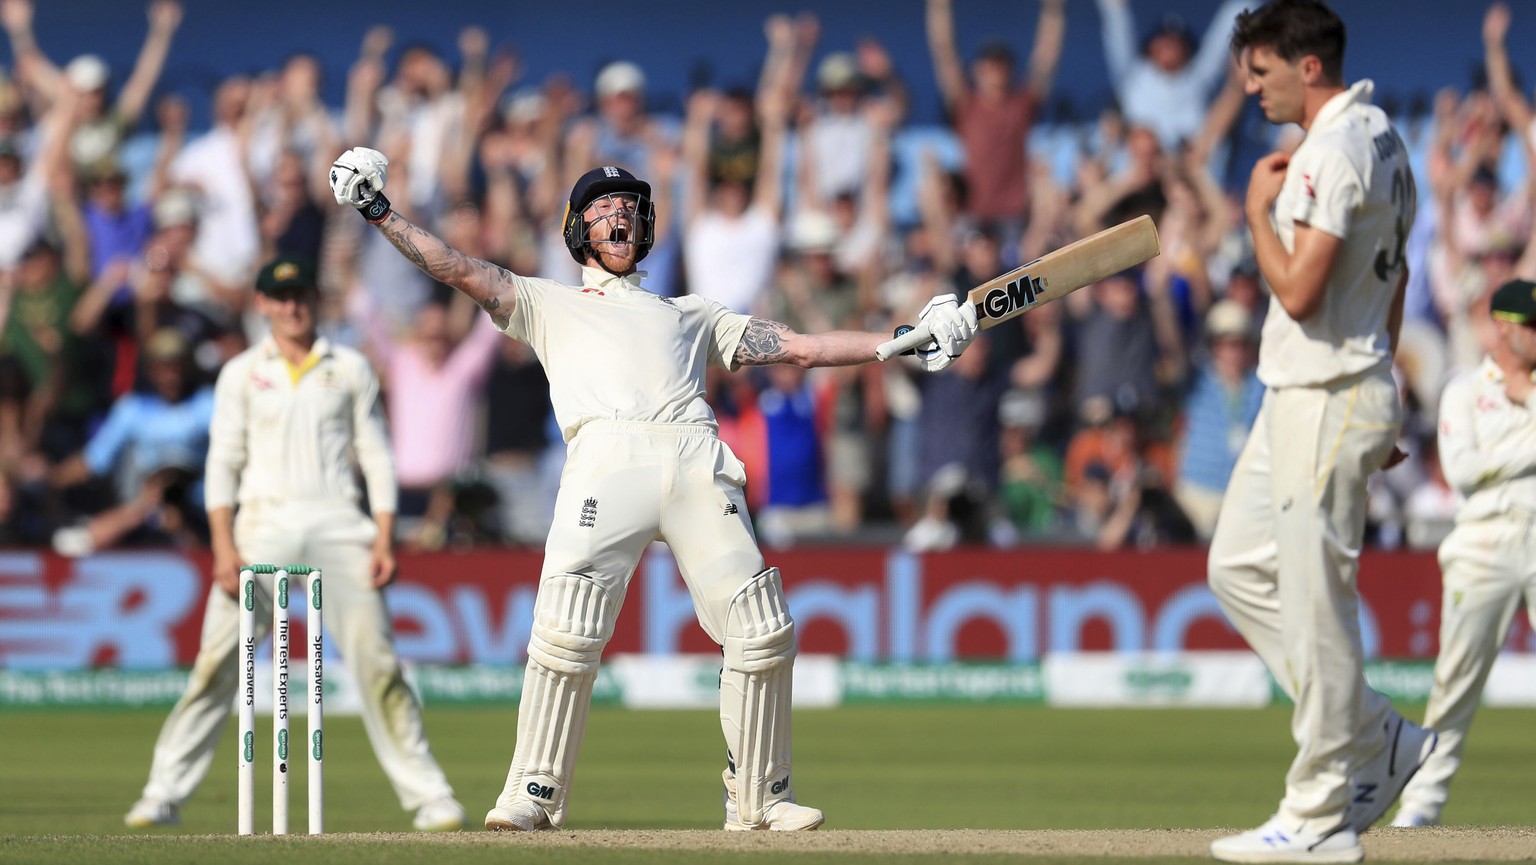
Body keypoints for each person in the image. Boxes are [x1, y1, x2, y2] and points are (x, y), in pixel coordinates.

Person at [326, 146, 978, 831]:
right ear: (579, 228)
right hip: (605, 458)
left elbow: (803, 347)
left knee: (761, 630)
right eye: (605, 208)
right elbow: (455, 266)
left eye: (630, 208)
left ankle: (759, 798)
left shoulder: (692, 313)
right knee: (567, 631)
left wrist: (905, 338)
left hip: (695, 455)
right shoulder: (548, 302)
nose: (620, 216)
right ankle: (533, 793)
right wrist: (378, 211)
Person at [1205, 2, 1437, 861]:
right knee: (1235, 567)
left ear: (1308, 67)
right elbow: (1399, 270)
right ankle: (1377, 733)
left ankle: (1318, 816)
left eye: (1258, 73)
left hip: (1328, 390)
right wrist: (1390, 388)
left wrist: (1255, 213)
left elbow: (1299, 292)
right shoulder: (1381, 134)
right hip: (1309, 388)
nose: (1248, 88)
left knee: (1319, 606)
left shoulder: (1332, 151)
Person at [123, 255, 465, 832]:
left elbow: (377, 455)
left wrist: (384, 537)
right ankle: (162, 794)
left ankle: (430, 795)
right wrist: (224, 548)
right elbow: (223, 464)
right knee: (216, 664)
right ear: (262, 304)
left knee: (379, 665)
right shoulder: (240, 373)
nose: (292, 305)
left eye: (301, 294)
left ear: (315, 299)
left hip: (340, 526)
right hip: (262, 528)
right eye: (280, 297)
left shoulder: (350, 366)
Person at [1390, 279, 1536, 827]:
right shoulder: (1464, 389)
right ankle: (1421, 808)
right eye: (1531, 326)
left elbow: (1486, 462)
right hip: (1484, 542)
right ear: (1502, 327)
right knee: (1455, 684)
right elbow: (1463, 471)